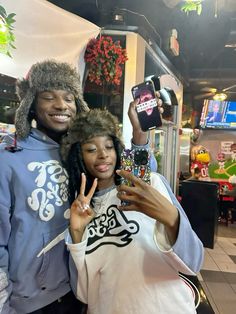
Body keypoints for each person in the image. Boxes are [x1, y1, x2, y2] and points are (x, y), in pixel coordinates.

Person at [0, 59, 158, 313]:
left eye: (69, 97)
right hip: (29, 301)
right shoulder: (8, 158)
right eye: (49, 97)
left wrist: (140, 136)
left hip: (82, 290)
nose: (61, 105)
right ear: (31, 104)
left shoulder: (83, 152)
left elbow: (140, 176)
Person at [62, 109, 204, 314]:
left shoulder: (148, 185)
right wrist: (76, 234)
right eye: (91, 149)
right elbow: (83, 293)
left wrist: (171, 218)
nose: (103, 154)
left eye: (109, 147)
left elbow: (194, 261)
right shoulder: (80, 211)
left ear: (117, 149)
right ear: (79, 156)